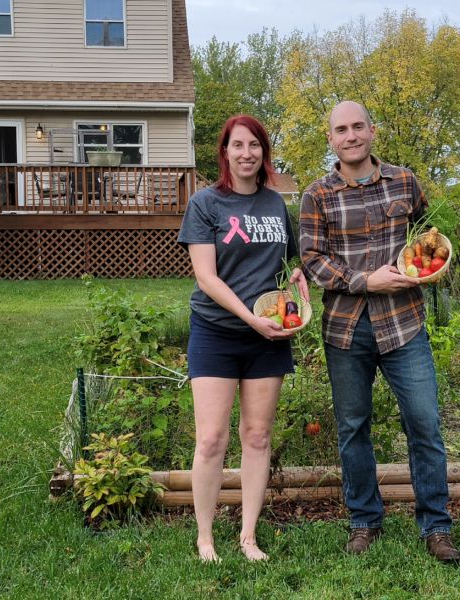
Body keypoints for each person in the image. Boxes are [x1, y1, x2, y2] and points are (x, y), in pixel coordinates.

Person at [298, 101, 460, 564]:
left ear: (372, 131)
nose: (350, 136)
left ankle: (436, 526)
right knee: (354, 429)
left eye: (357, 127)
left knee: (424, 423)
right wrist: (364, 280)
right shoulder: (317, 195)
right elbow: (312, 259)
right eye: (340, 130)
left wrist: (428, 263)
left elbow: (426, 233)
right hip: (346, 331)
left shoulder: (404, 181)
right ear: (330, 139)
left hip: (404, 323)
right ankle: (364, 521)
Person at [178, 114, 309, 562]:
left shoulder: (276, 205)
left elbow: (286, 261)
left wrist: (296, 274)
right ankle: (205, 537)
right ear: (225, 152)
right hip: (216, 332)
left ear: (263, 152)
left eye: (254, 145)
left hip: (268, 335)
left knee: (257, 436)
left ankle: (248, 536)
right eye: (238, 145)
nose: (246, 153)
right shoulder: (206, 204)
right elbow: (206, 277)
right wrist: (249, 319)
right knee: (211, 439)